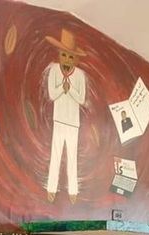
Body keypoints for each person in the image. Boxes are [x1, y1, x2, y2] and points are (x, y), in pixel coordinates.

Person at [44, 29, 87, 203]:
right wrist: (63, 88)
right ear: (59, 54)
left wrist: (71, 90)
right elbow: (52, 95)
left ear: (75, 58)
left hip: (73, 123)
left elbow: (81, 99)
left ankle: (73, 191)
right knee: (55, 154)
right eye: (64, 55)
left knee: (71, 157)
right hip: (59, 119)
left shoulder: (80, 75)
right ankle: (51, 188)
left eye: (70, 56)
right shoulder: (54, 70)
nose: (67, 59)